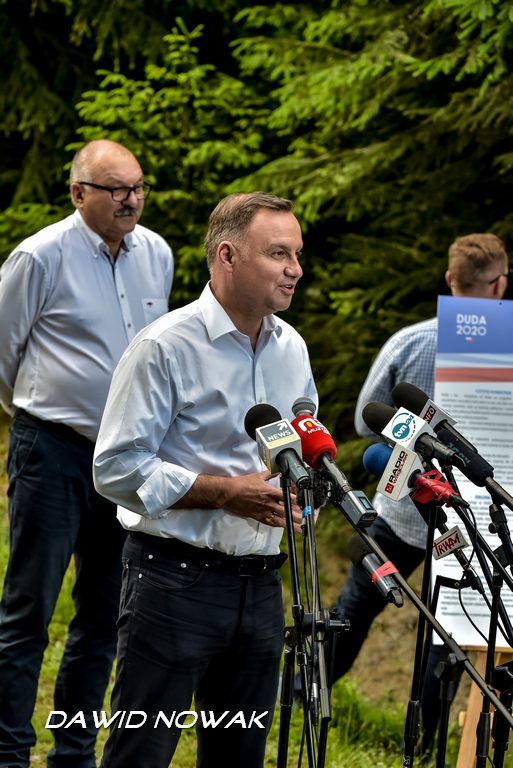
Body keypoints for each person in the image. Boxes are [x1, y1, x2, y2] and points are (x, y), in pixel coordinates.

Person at [92, 192, 317, 768]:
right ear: (228, 255)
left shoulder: (292, 348)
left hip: (262, 586)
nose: (295, 269)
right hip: (174, 581)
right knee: (140, 754)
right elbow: (115, 466)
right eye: (278, 253)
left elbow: (300, 446)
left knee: (239, 757)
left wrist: (299, 496)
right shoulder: (164, 346)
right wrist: (225, 493)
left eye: (297, 254)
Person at [0, 139, 174, 768]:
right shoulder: (38, 256)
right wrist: (38, 414)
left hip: (123, 458)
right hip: (51, 450)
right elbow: (3, 354)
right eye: (116, 189)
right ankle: (8, 752)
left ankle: (72, 755)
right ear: (79, 193)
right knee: (29, 610)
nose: (132, 200)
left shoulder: (157, 254)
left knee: (103, 616)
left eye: (138, 187)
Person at [331, 232, 509, 748]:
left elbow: (365, 420)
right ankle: (424, 741)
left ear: (450, 280)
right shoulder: (509, 346)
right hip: (476, 523)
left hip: (403, 509)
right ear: (500, 284)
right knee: (448, 627)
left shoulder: (409, 341)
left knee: (357, 606)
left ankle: (299, 697)